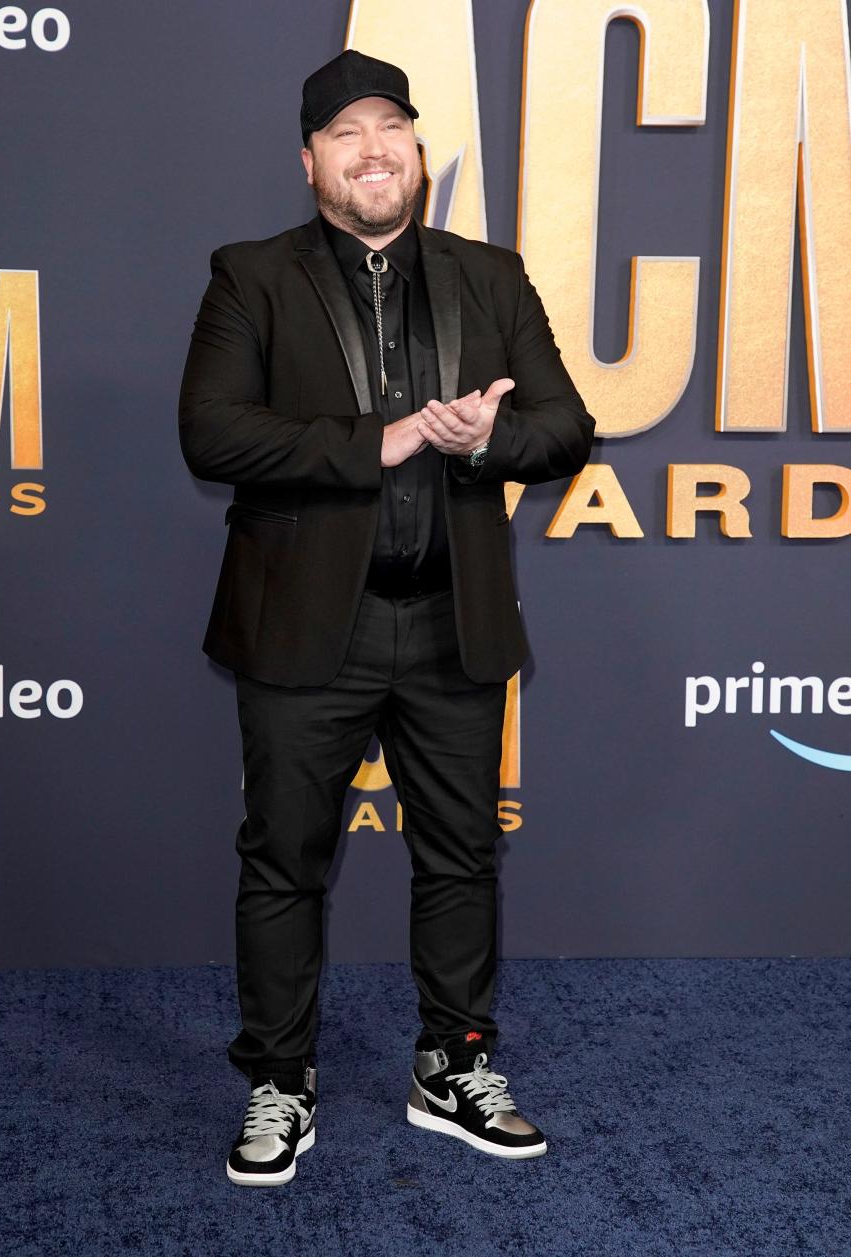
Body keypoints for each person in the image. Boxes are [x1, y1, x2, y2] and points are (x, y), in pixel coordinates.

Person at [179, 48, 595, 1187]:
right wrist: (386, 440)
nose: (374, 152)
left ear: (419, 152)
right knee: (284, 864)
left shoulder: (491, 276)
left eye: (393, 131)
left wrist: (488, 440)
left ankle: (453, 1064)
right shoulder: (252, 277)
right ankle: (280, 1079)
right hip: (309, 626)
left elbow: (566, 426)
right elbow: (212, 433)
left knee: (462, 857)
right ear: (310, 158)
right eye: (347, 134)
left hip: (453, 622)